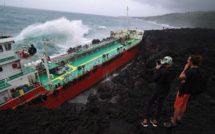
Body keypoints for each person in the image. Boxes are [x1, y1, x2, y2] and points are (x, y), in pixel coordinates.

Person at [164, 55, 203, 127]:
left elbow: (180, 77)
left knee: (177, 106)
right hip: (189, 91)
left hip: (183, 91)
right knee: (184, 104)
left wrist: (185, 69)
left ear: (191, 62)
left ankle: (173, 121)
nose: (187, 61)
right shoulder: (198, 70)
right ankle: (179, 118)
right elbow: (191, 79)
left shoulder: (191, 71)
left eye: (188, 60)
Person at [141, 56, 177, 127]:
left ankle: (145, 121)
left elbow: (154, 79)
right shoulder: (174, 70)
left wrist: (156, 69)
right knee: (160, 105)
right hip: (166, 90)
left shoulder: (162, 71)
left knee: (150, 103)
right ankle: (155, 121)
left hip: (157, 89)